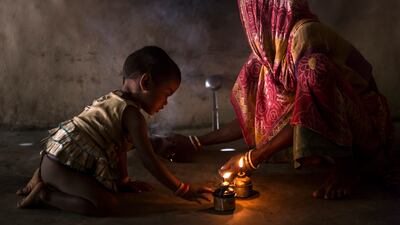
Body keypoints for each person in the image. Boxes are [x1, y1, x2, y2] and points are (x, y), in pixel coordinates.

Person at [153, 0, 393, 200]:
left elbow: (307, 109)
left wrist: (251, 159)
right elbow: (252, 117)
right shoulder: (270, 54)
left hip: (365, 125)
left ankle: (346, 167)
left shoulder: (305, 34)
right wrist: (196, 142)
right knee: (255, 70)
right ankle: (324, 154)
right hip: (331, 118)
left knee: (314, 69)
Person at [16, 46, 212, 216]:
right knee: (105, 205)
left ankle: (42, 175)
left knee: (111, 192)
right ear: (146, 83)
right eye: (166, 94)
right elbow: (149, 160)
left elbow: (119, 148)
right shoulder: (133, 116)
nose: (165, 103)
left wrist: (124, 182)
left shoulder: (113, 99)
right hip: (63, 166)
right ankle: (45, 195)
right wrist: (182, 189)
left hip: (56, 157)